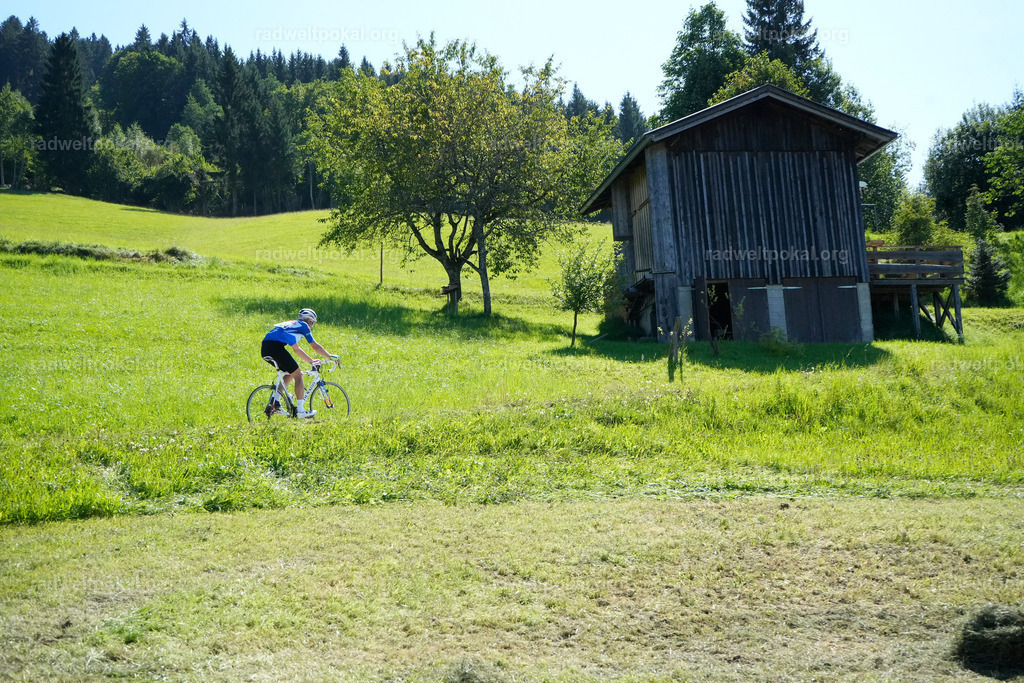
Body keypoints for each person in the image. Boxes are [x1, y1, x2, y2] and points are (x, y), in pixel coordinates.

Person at [261, 308, 338, 418]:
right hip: (276, 348)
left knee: (289, 373)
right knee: (298, 375)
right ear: (309, 320)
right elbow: (315, 346)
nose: (312, 326)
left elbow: (296, 349)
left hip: (265, 348)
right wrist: (330, 356)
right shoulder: (303, 326)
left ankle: (275, 403)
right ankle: (301, 411)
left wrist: (311, 361)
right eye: (313, 323)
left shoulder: (293, 325)